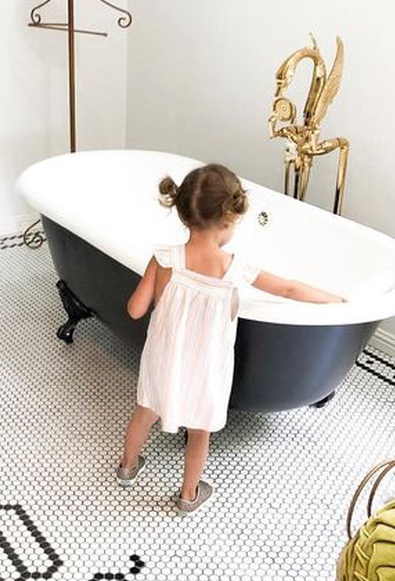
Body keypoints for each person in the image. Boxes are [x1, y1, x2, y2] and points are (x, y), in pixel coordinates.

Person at [117, 164, 344, 515]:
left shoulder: (163, 258)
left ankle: (128, 467)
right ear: (229, 218)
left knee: (145, 411)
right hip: (207, 369)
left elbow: (134, 309)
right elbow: (288, 288)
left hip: (162, 360)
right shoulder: (235, 267)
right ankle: (188, 495)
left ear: (183, 213)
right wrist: (336, 300)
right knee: (199, 432)